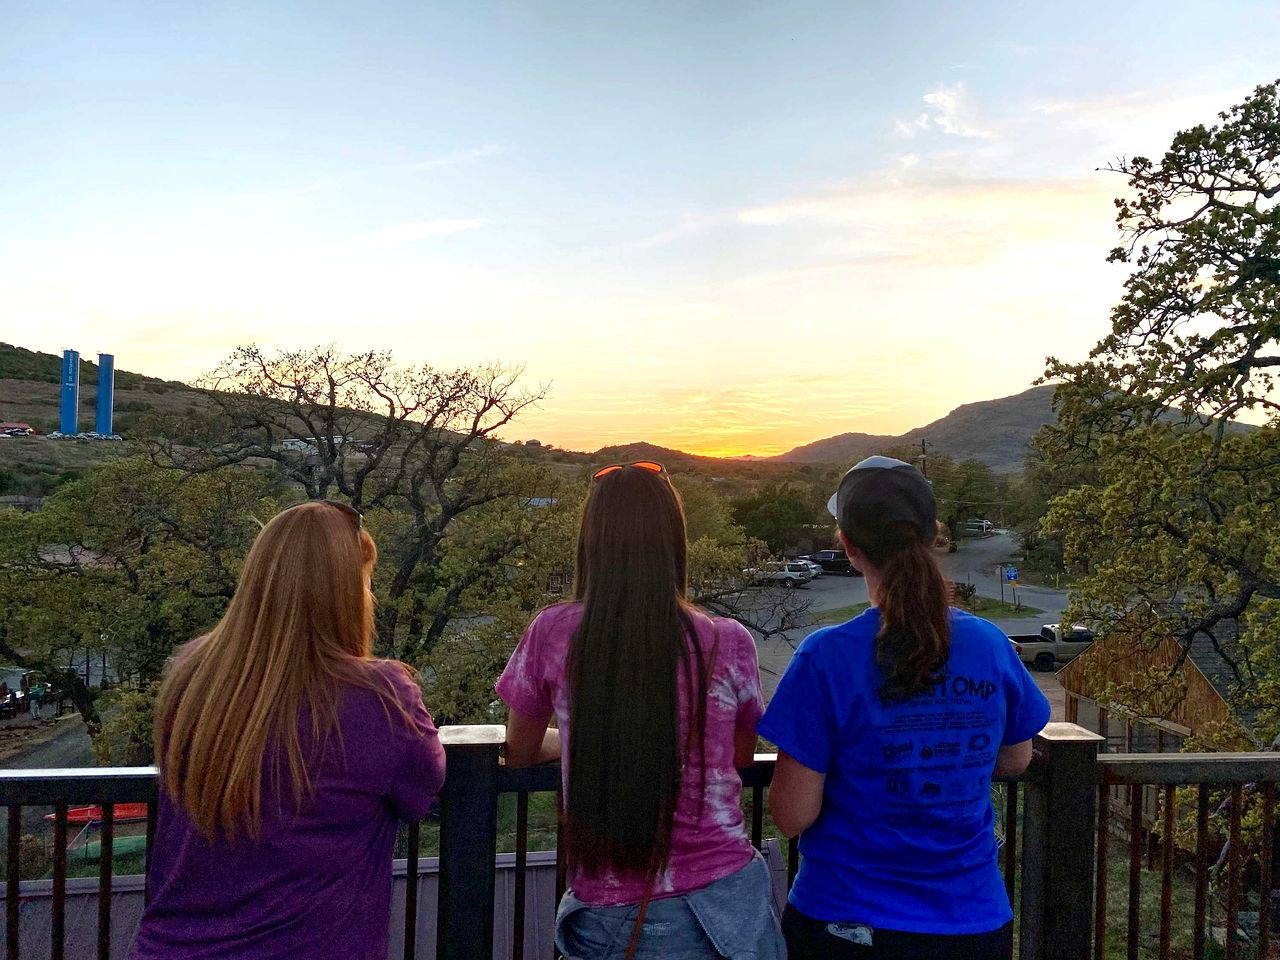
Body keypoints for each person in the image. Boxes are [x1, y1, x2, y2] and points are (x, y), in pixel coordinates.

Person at [759, 456, 1050, 960]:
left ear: (848, 546)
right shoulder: (988, 644)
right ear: (934, 533)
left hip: (845, 924)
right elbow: (1016, 760)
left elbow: (791, 815)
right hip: (971, 925)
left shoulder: (825, 656)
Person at [132, 500, 446, 960]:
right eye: (365, 579)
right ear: (346, 590)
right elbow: (423, 787)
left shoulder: (192, 673)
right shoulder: (381, 695)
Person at [499, 461, 784, 960]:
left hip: (609, 915)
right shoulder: (728, 641)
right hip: (728, 908)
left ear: (593, 542)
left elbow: (520, 750)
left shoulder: (553, 632)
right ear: (673, 541)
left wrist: (579, 735)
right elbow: (738, 754)